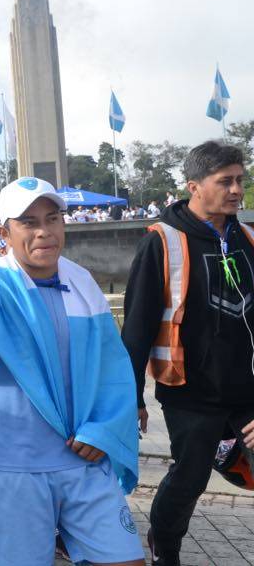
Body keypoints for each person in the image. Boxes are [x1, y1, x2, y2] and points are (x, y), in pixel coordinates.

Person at [0, 177, 143, 566]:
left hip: (86, 453)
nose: (44, 231)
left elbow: (112, 366)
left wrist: (105, 429)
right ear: (5, 232)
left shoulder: (81, 281)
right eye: (29, 222)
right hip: (16, 459)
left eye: (52, 218)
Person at [122, 141, 254, 565]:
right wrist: (132, 398)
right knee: (189, 478)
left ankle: (228, 451)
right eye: (225, 181)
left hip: (245, 389)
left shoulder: (248, 238)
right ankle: (166, 545)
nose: (237, 190)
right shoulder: (163, 242)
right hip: (189, 392)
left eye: (240, 180)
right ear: (194, 186)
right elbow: (138, 327)